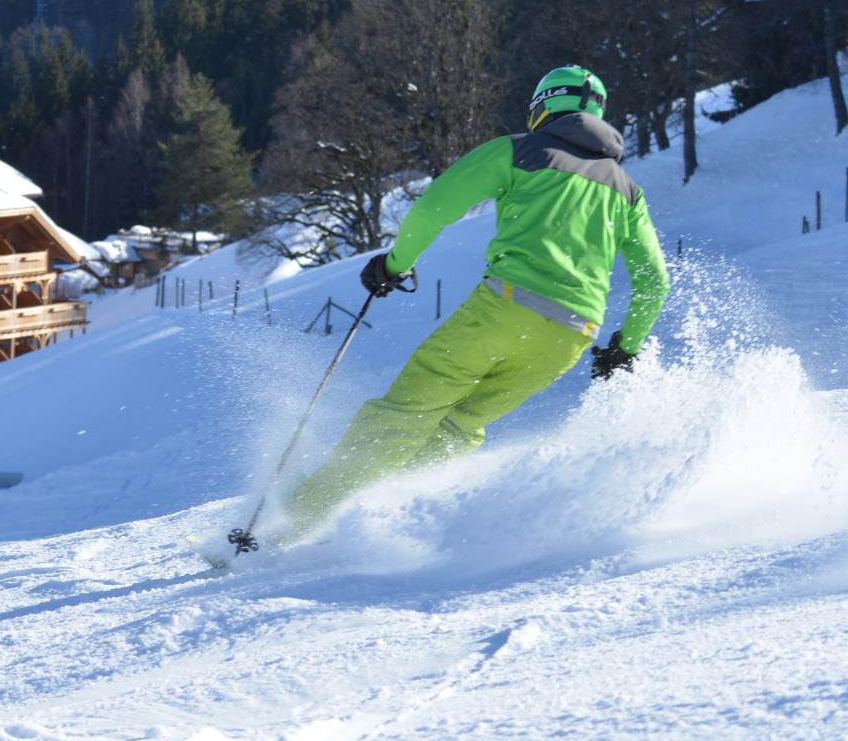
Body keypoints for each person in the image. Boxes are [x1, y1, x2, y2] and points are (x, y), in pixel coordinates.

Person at [286, 65, 671, 533]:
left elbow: (435, 207)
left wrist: (394, 265)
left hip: (505, 309)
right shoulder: (627, 191)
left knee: (405, 414)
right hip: (569, 336)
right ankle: (375, 520)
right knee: (460, 426)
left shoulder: (521, 150)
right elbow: (654, 282)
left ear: (544, 106)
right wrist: (624, 349)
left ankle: (294, 521)